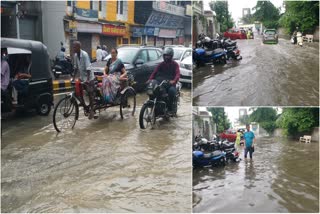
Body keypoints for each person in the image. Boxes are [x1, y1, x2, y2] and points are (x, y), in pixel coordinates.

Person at [148, 47, 180, 113]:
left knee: (171, 92)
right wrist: (150, 80)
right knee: (153, 90)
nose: (166, 57)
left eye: (168, 56)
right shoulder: (161, 64)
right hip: (161, 83)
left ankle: (170, 108)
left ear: (171, 56)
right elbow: (154, 72)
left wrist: (174, 81)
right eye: (165, 55)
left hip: (170, 83)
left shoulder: (175, 64)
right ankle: (154, 105)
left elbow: (177, 74)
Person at [73, 41, 95, 119]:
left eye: (75, 47)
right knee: (77, 92)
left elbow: (88, 68)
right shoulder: (75, 55)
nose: (73, 48)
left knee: (90, 93)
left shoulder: (85, 55)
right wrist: (73, 77)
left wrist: (88, 80)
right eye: (73, 47)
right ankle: (85, 106)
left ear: (79, 47)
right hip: (82, 77)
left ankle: (92, 110)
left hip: (89, 77)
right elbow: (75, 68)